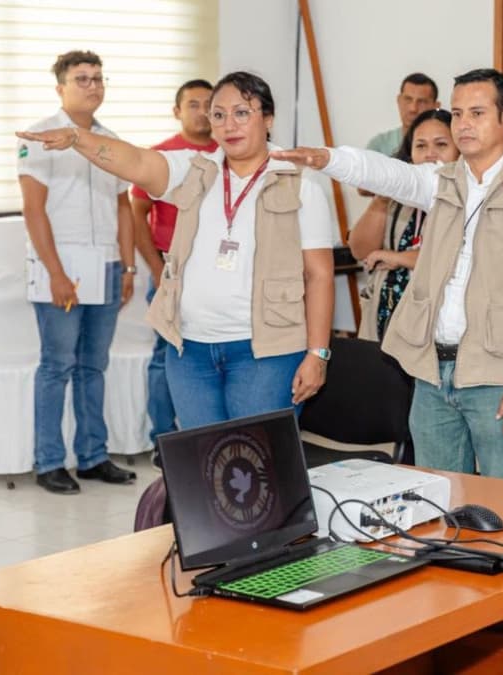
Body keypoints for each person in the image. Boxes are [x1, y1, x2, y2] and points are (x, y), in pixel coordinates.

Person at [273, 69, 503, 482]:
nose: (464, 123)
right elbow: (388, 173)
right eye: (459, 113)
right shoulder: (439, 182)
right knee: (440, 503)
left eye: (478, 113)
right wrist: (329, 159)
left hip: (498, 379)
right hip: (432, 373)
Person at [19, 71, 337, 431]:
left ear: (268, 119)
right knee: (205, 464)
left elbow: (319, 275)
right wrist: (78, 138)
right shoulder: (194, 170)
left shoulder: (300, 186)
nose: (228, 125)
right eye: (218, 115)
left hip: (265, 354)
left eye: (241, 113)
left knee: (259, 465)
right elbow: (136, 162)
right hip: (190, 350)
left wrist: (317, 353)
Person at [17, 50, 138, 495]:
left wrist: (127, 266)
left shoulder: (112, 140)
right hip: (61, 267)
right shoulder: (39, 136)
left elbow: (124, 207)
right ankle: (49, 461)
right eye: (82, 78)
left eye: (98, 78)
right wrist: (56, 272)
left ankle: (93, 457)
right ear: (60, 88)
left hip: (106, 265)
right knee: (57, 366)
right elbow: (33, 211)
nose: (92, 86)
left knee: (94, 366)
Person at [130, 78, 217, 456]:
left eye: (207, 104)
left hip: (215, 272)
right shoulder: (161, 157)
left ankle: (206, 436)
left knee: (211, 354)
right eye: (192, 104)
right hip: (169, 269)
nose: (201, 112)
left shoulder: (229, 153)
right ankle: (163, 440)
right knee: (164, 356)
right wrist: (153, 265)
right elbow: (138, 214)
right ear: (177, 111)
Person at [350, 109, 458, 342]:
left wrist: (398, 258)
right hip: (386, 316)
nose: (430, 154)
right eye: (420, 146)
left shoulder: (469, 197)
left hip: (437, 329)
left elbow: (453, 256)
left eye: (441, 145)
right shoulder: (396, 198)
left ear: (459, 150)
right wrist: (384, 195)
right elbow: (360, 250)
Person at [365, 72, 440, 158]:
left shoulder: (449, 144)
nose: (413, 108)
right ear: (399, 100)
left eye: (422, 101)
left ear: (436, 106)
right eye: (408, 99)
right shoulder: (379, 146)